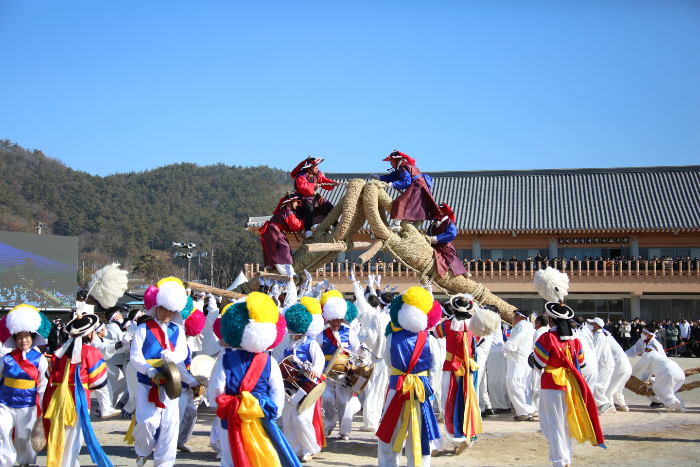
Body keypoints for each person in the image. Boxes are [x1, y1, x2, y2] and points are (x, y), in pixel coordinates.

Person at [208, 292, 300, 467]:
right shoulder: (270, 362)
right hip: (260, 417)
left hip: (231, 417)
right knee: (259, 457)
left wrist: (218, 404)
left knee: (229, 459)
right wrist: (273, 413)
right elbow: (277, 395)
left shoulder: (225, 359)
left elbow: (217, 391)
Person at [530, 302, 606, 467]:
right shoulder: (575, 340)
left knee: (551, 423)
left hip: (552, 384)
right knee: (565, 423)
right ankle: (566, 459)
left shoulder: (547, 338)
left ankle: (559, 461)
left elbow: (538, 363)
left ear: (551, 319)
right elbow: (582, 363)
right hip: (570, 386)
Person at [130, 277, 193, 467]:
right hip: (147, 383)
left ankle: (164, 463)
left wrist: (173, 356)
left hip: (171, 383)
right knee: (146, 422)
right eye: (164, 308)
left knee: (170, 425)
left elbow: (183, 352)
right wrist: (148, 370)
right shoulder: (143, 328)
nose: (167, 313)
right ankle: (143, 450)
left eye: (171, 310)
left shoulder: (178, 330)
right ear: (158, 307)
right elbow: (135, 356)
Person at [376, 287, 443, 466]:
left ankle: (388, 463)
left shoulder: (391, 338)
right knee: (420, 431)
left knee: (390, 429)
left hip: (397, 388)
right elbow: (436, 369)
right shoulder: (432, 341)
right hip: (421, 390)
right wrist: (430, 389)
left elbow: (388, 363)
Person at [42, 311, 113, 467]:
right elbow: (99, 383)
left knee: (60, 438)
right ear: (89, 335)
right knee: (73, 441)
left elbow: (49, 374)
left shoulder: (59, 352)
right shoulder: (91, 352)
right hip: (78, 400)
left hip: (55, 399)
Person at [435, 294, 500, 453]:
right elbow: (477, 342)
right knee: (467, 401)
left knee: (449, 401)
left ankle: (457, 438)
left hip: (451, 368)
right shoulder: (475, 326)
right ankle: (467, 435)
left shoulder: (448, 324)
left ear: (454, 309)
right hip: (469, 369)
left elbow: (436, 333)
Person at [277, 296, 326, 462]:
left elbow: (320, 361)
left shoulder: (311, 343)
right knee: (288, 419)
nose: (290, 333)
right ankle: (293, 448)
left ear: (301, 329)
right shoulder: (287, 346)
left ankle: (309, 448)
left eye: (293, 330)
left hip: (307, 387)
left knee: (301, 419)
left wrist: (316, 371)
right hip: (290, 388)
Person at [0, 305, 49, 467]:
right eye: (19, 337)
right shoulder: (5, 359)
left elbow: (43, 385)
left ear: (32, 337)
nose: (23, 340)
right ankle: (5, 462)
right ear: (15, 339)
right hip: (4, 403)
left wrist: (44, 406)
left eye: (26, 336)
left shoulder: (39, 359)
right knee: (2, 429)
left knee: (24, 437)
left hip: (28, 404)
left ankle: (25, 462)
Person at [317, 290, 361, 440]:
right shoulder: (321, 335)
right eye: (332, 320)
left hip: (345, 372)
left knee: (344, 401)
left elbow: (357, 350)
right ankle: (329, 422)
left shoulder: (349, 333)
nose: (335, 323)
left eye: (338, 319)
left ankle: (345, 431)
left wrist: (355, 363)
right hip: (327, 372)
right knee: (327, 398)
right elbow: (317, 354)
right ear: (328, 319)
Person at [372, 150, 441, 230]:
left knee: (401, 201)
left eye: (392, 161)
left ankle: (396, 224)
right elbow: (393, 177)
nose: (391, 163)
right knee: (418, 207)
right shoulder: (402, 167)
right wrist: (379, 178)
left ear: (397, 160)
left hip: (417, 186)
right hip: (419, 186)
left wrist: (392, 185)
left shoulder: (403, 166)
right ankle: (411, 226)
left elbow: (406, 182)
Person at [177, 305, 207, 453]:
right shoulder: (179, 340)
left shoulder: (187, 340)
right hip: (178, 385)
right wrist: (192, 381)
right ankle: (166, 443)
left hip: (187, 386)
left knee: (191, 413)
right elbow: (179, 365)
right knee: (177, 416)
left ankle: (180, 441)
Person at [290, 156, 339, 239]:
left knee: (327, 205)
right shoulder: (301, 174)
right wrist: (314, 186)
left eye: (317, 165)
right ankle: (308, 231)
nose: (317, 167)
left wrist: (332, 183)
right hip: (302, 196)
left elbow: (323, 180)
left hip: (313, 195)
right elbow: (302, 186)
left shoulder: (317, 173)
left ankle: (336, 224)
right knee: (309, 208)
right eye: (315, 166)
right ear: (310, 167)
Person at [503, 309, 536, 421]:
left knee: (513, 384)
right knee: (521, 386)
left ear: (519, 317)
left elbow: (516, 340)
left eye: (514, 317)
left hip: (518, 360)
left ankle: (526, 411)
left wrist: (506, 346)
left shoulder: (521, 325)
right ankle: (523, 411)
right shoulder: (528, 325)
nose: (512, 319)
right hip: (523, 360)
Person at [631, 345, 686, 412]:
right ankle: (681, 408)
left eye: (646, 349)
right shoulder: (659, 357)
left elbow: (638, 366)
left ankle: (672, 403)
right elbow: (649, 374)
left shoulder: (649, 354)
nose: (644, 351)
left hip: (669, 372)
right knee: (669, 391)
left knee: (657, 388)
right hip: (680, 373)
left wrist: (629, 373)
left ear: (649, 349)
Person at [260, 193, 304, 277]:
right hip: (273, 231)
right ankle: (287, 272)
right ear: (289, 203)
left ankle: (281, 269)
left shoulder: (286, 210)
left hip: (273, 231)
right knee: (284, 247)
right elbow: (295, 225)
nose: (296, 203)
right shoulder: (287, 211)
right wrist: (304, 223)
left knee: (280, 248)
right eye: (295, 201)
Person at [426, 203, 468, 278]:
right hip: (433, 246)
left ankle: (462, 273)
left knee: (448, 259)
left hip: (445, 246)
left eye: (440, 210)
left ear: (444, 212)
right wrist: (428, 238)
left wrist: (437, 238)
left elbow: (451, 234)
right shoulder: (433, 224)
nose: (438, 212)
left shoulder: (449, 222)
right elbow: (429, 233)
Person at [588, 318, 615, 414]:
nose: (589, 325)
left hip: (604, 366)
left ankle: (604, 403)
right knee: (600, 386)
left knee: (597, 386)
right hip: (604, 366)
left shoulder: (599, 337)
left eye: (592, 323)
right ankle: (605, 404)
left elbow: (596, 353)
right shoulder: (598, 336)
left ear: (596, 326)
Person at [602, 328, 632, 412]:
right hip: (626, 367)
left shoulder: (606, 341)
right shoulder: (611, 340)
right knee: (618, 389)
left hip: (620, 367)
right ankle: (622, 405)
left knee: (609, 389)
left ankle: (610, 406)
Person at [530, 314, 550, 410]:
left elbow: (535, 349)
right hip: (545, 362)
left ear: (538, 323)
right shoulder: (547, 332)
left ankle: (535, 407)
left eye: (535, 322)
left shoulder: (538, 333)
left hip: (538, 362)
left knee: (535, 384)